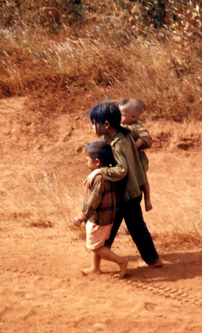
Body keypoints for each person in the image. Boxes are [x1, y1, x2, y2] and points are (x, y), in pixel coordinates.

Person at [88, 101, 163, 268]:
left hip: (128, 193)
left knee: (134, 228)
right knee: (111, 227)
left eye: (94, 123)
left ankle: (153, 260)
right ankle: (96, 265)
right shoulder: (121, 134)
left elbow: (122, 170)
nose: (93, 127)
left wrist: (100, 172)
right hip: (123, 192)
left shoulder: (119, 142)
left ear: (106, 125)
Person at [73, 140, 128, 278]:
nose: (86, 162)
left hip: (99, 218)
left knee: (95, 247)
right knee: (96, 243)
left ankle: (121, 262)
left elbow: (93, 201)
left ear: (97, 162)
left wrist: (81, 217)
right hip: (105, 217)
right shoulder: (106, 174)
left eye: (87, 159)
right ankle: (95, 268)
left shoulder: (99, 179)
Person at [119, 98, 153, 212]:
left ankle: (147, 200)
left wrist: (134, 146)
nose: (120, 118)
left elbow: (146, 137)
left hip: (138, 160)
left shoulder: (136, 127)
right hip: (127, 161)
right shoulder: (121, 127)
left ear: (133, 117)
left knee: (143, 180)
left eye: (122, 115)